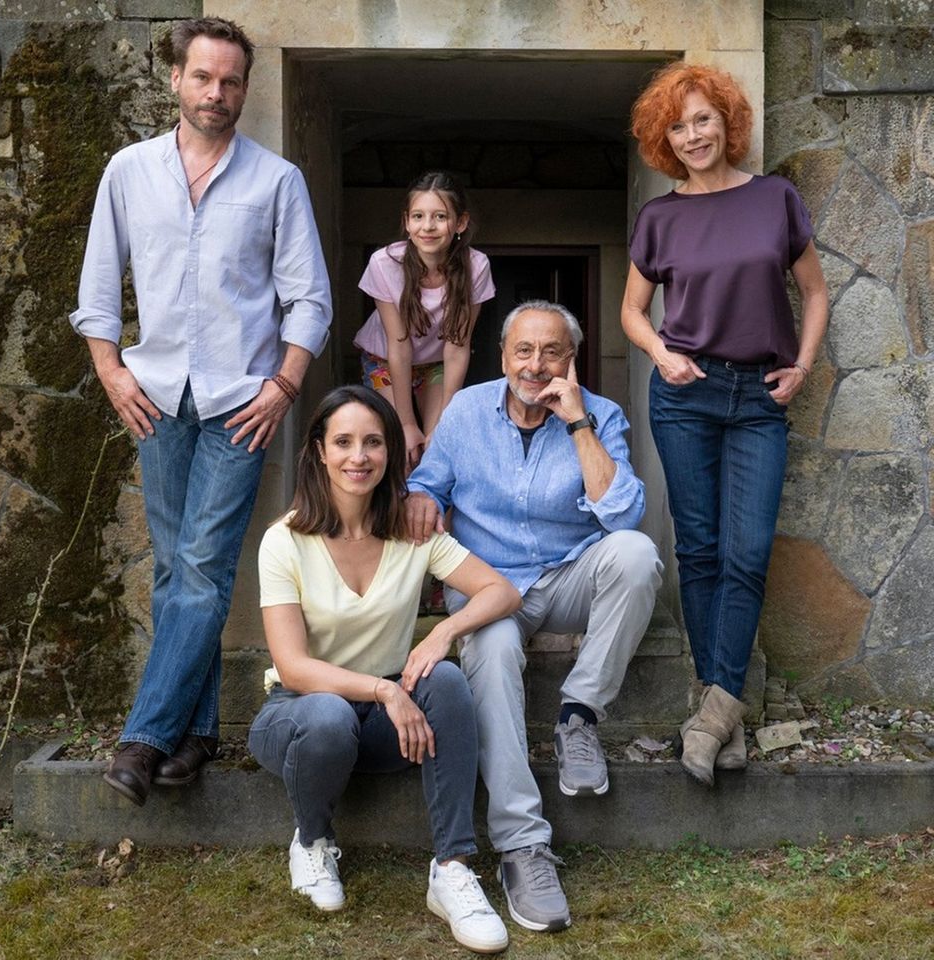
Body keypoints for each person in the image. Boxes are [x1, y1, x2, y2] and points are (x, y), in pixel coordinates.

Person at [69, 16, 333, 806]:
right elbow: (96, 289)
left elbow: (310, 300)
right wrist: (112, 373)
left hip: (239, 405)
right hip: (154, 398)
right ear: (176, 79)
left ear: (244, 90)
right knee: (175, 568)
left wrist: (282, 388)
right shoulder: (128, 171)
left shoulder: (277, 181)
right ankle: (197, 732)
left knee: (204, 564)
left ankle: (144, 737)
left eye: (231, 81)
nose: (217, 92)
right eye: (204, 77)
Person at [406, 301, 662, 932]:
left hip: (567, 575)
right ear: (503, 356)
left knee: (636, 554)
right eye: (523, 350)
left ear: (571, 360)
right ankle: (522, 844)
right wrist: (421, 500)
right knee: (491, 648)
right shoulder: (465, 410)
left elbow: (622, 515)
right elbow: (427, 482)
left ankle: (578, 717)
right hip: (489, 586)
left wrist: (577, 424)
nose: (536, 365)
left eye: (552, 352)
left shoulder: (600, 414)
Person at [248, 386, 519, 954]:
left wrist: (443, 631)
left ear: (390, 452)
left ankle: (452, 870)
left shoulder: (412, 531)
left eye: (373, 442)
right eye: (343, 442)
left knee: (446, 678)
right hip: (299, 720)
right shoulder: (284, 541)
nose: (359, 456)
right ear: (319, 450)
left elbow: (501, 591)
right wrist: (383, 689)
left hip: (383, 727)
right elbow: (293, 667)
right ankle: (312, 842)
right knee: (327, 715)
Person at [621, 62, 829, 787]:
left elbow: (814, 292)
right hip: (686, 396)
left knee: (749, 552)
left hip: (760, 399)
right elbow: (631, 312)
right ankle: (722, 715)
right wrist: (660, 353)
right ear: (665, 140)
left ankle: (710, 718)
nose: (693, 135)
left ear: (727, 122)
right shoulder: (660, 218)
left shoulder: (775, 199)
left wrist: (801, 367)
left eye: (703, 119)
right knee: (701, 551)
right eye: (678, 127)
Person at [353, 171, 495, 473]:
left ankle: (433, 506)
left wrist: (444, 420)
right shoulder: (384, 263)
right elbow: (399, 345)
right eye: (418, 216)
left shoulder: (476, 266)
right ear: (407, 222)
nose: (428, 226)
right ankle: (397, 503)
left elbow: (458, 346)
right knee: (399, 449)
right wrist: (406, 424)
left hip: (437, 363)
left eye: (440, 216)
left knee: (439, 449)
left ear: (460, 223)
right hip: (385, 360)